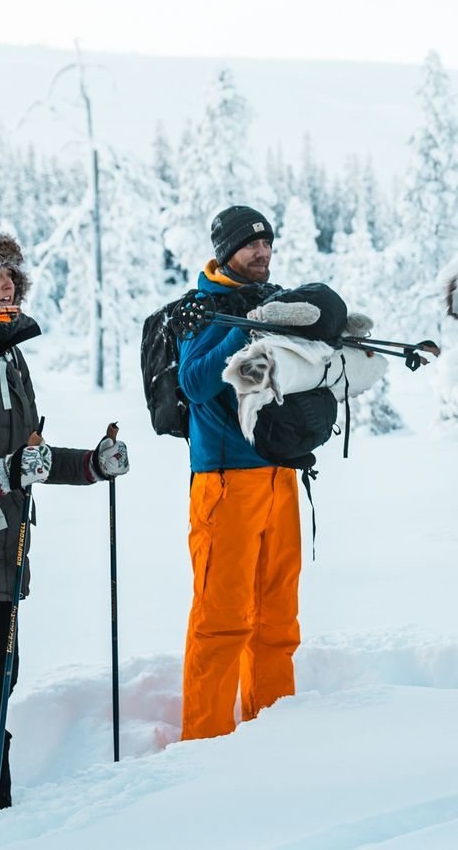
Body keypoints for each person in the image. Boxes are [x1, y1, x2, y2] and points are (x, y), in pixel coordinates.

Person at [0, 229, 129, 811]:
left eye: (11, 275)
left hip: (4, 562)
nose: (7, 284)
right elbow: (6, 467)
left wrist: (91, 464)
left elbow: (27, 459)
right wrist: (1, 473)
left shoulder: (9, 358)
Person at [177, 205, 298, 741]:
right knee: (222, 618)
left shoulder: (274, 300)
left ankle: (272, 730)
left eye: (268, 244)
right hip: (225, 482)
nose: (263, 253)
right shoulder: (199, 311)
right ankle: (203, 742)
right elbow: (196, 383)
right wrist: (242, 330)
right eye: (252, 245)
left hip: (280, 477)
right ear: (227, 251)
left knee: (278, 620)